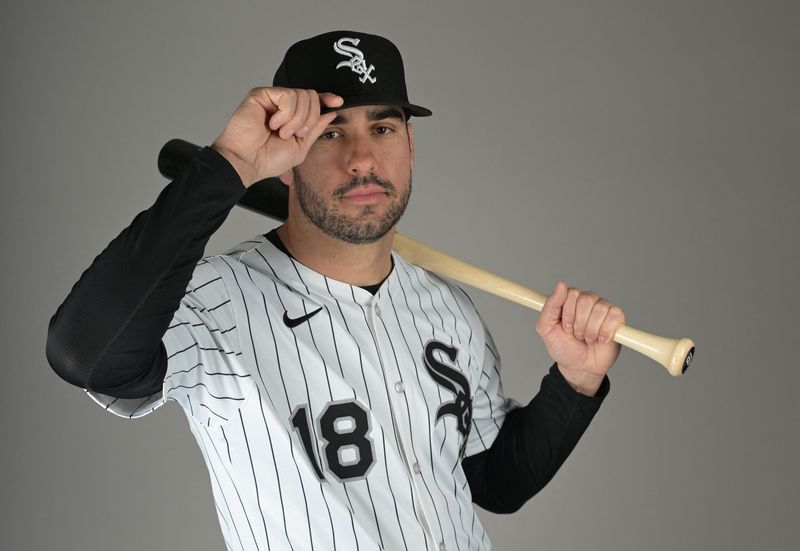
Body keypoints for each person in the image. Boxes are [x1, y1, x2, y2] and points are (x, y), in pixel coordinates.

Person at [47, 30, 626, 551]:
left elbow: (495, 483)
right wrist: (227, 166)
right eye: (331, 131)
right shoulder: (215, 300)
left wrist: (574, 383)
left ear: (410, 146)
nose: (363, 159)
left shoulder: (448, 310)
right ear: (286, 160)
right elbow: (85, 354)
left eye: (382, 127)